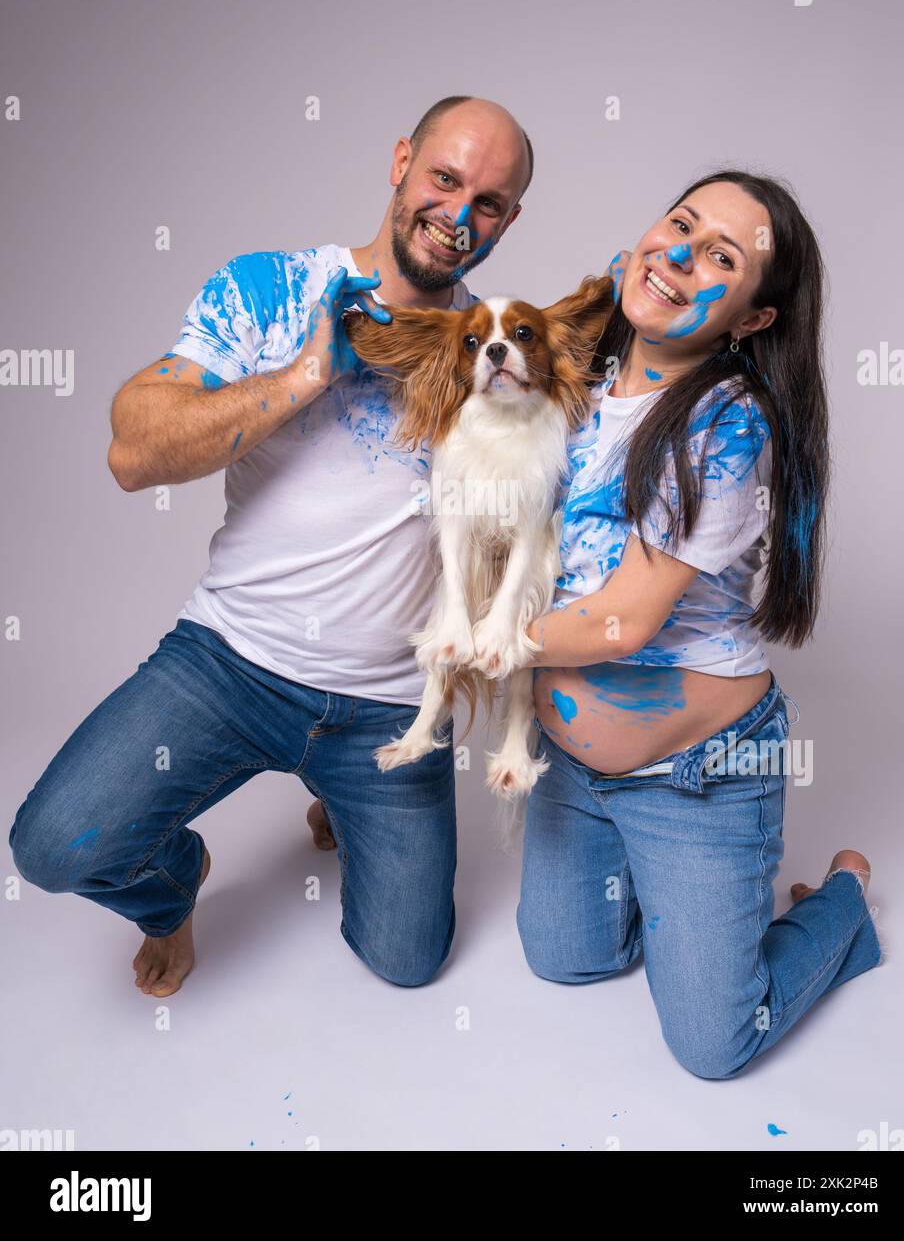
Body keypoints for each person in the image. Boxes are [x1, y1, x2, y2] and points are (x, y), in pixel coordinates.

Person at [8, 95, 532, 996]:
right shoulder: (274, 287)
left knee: (406, 962)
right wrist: (306, 373)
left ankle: (335, 786)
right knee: (53, 847)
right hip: (229, 665)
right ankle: (173, 888)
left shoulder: (493, 355)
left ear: (508, 220)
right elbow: (134, 451)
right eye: (445, 179)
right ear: (400, 160)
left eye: (487, 202)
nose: (458, 215)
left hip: (387, 707)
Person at [516, 171, 884, 1079]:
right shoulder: (583, 382)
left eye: (722, 256)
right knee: (563, 956)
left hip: (700, 777)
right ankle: (668, 895)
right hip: (572, 770)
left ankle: (844, 897)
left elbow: (620, 625)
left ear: (753, 320)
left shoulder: (729, 422)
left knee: (714, 1046)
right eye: (679, 226)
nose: (679, 255)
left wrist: (462, 641)